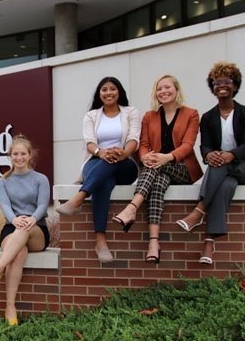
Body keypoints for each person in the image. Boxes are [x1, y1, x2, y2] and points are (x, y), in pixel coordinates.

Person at [112, 75, 202, 262]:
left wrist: (166, 157)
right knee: (158, 183)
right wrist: (145, 157)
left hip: (182, 168)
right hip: (157, 169)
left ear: (176, 90)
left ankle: (132, 207)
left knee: (155, 168)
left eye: (167, 87)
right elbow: (143, 144)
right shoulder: (149, 116)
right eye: (159, 89)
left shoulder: (191, 114)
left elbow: (187, 145)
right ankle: (154, 243)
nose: (163, 91)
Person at [56, 77, 140, 263]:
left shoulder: (130, 112)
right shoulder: (91, 115)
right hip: (95, 162)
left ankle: (78, 198)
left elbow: (134, 138)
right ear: (99, 94)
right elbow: (89, 142)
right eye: (104, 89)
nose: (108, 93)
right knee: (104, 182)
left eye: (112, 89)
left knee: (111, 162)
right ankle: (101, 241)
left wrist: (123, 153)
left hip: (124, 164)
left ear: (119, 92)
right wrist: (100, 152)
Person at [176, 62, 245, 265]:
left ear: (235, 86)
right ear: (212, 87)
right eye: (217, 82)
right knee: (225, 185)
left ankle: (198, 211)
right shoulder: (208, 117)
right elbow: (204, 146)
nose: (221, 85)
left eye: (227, 81)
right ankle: (208, 243)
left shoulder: (244, 113)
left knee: (220, 163)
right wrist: (210, 154)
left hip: (243, 167)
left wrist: (231, 154)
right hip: (225, 174)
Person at [0, 135, 50, 326]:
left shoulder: (40, 179)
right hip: (11, 227)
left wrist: (32, 219)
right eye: (15, 154)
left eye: (22, 154)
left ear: (29, 156)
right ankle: (10, 307)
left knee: (24, 230)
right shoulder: (3, 181)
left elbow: (43, 206)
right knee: (18, 252)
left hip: (37, 228)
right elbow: (4, 206)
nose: (19, 157)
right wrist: (14, 219)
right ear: (10, 156)